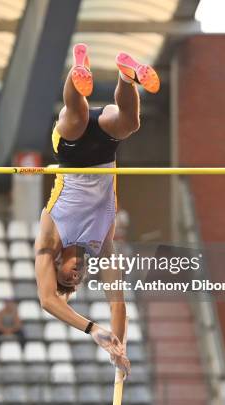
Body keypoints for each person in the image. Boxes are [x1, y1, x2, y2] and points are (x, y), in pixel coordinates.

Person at [34, 43, 159, 378]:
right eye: (79, 279)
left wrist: (92, 330)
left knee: (74, 116)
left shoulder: (50, 236)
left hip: (71, 155)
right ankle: (125, 74)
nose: (76, 276)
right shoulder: (102, 244)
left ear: (57, 265)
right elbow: (117, 302)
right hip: (104, 152)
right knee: (130, 122)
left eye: (66, 278)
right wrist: (118, 347)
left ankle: (79, 71)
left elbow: (47, 300)